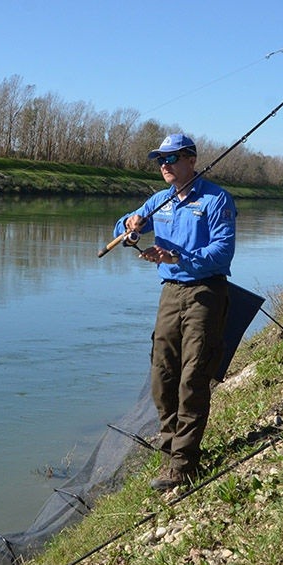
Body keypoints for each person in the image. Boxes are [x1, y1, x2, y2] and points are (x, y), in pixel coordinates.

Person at [115, 133, 236, 491]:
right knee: (162, 376)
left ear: (191, 160)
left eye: (170, 159)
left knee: (193, 377)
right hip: (169, 294)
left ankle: (183, 466)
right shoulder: (159, 201)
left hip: (205, 293)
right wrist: (131, 228)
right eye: (159, 160)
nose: (163, 165)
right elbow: (123, 227)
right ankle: (170, 450)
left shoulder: (217, 200)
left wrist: (177, 256)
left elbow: (223, 252)